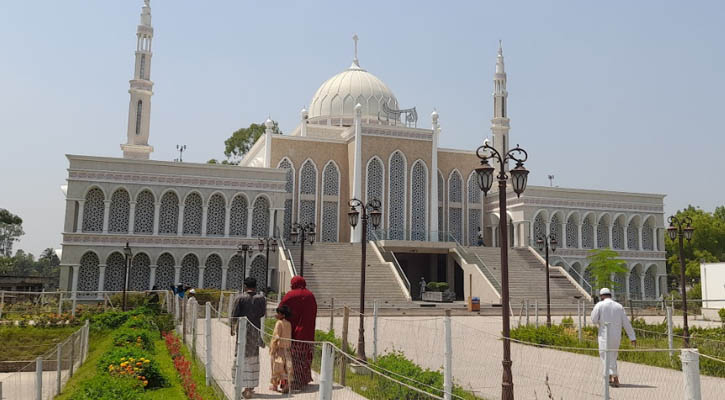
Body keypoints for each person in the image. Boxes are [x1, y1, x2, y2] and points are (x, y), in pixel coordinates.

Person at [591, 288, 636, 387]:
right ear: (610, 295)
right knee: (613, 356)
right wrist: (632, 337)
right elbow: (626, 323)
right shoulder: (619, 306)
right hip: (616, 336)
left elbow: (593, 320)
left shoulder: (599, 305)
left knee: (605, 357)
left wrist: (600, 321)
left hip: (604, 336)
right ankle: (612, 378)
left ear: (602, 296)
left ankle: (613, 378)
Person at [231, 277, 267, 399]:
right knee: (253, 359)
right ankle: (249, 388)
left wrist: (232, 327)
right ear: (255, 286)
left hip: (243, 331)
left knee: (241, 356)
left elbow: (234, 314)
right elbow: (262, 313)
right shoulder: (261, 299)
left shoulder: (240, 298)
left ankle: (243, 387)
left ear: (245, 286)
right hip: (255, 331)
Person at [279, 276, 317, 390]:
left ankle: (292, 381)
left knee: (292, 357)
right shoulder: (310, 296)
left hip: (292, 333)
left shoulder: (290, 295)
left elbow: (281, 309)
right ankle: (303, 379)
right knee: (304, 356)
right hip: (308, 334)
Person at [269, 305, 293, 393]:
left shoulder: (279, 323)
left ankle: (275, 385)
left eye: (278, 313)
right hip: (287, 348)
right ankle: (286, 385)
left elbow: (276, 336)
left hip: (279, 349)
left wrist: (273, 347)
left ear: (282, 315)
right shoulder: (289, 323)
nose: (277, 315)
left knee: (276, 367)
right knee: (286, 367)